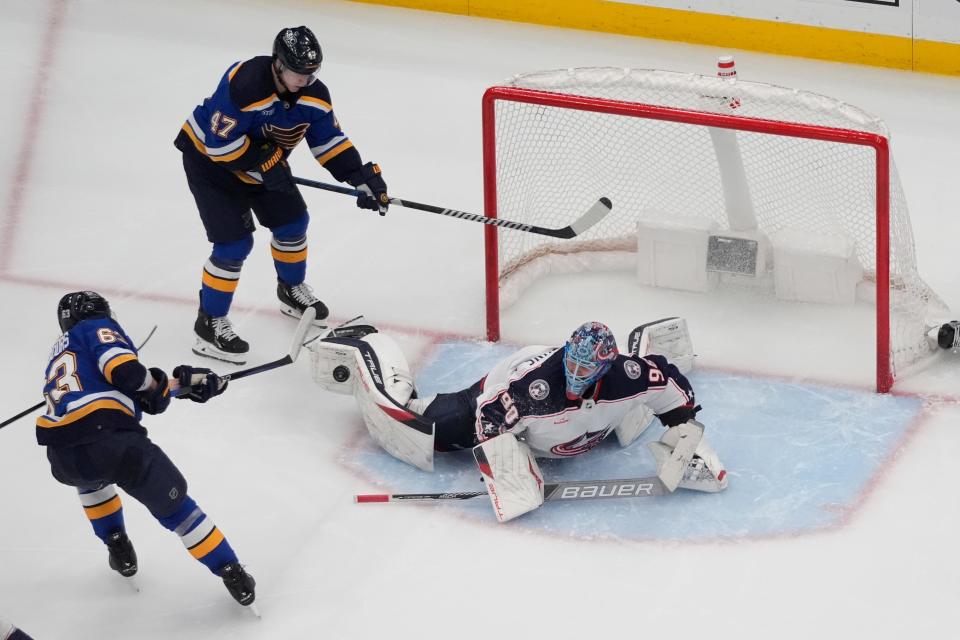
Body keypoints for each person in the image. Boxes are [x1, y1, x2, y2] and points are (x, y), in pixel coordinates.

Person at [311, 319, 727, 521]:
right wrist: (511, 468)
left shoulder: (627, 374)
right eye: (573, 365)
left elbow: (668, 382)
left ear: (606, 365)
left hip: (568, 419)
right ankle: (369, 348)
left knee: (636, 405)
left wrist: (684, 430)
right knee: (425, 430)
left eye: (587, 370)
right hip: (495, 389)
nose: (576, 375)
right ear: (566, 354)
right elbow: (489, 421)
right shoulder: (532, 390)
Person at [174, 25, 389, 364]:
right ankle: (209, 322)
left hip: (263, 163)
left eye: (312, 72)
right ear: (278, 64)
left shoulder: (315, 96)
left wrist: (359, 177)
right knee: (234, 244)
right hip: (210, 166)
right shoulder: (245, 85)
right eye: (299, 72)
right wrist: (264, 161)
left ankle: (291, 291)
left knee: (293, 223)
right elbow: (219, 146)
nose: (306, 79)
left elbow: (328, 142)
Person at [37, 291, 255, 607]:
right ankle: (231, 571)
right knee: (179, 511)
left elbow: (131, 394)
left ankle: (117, 545)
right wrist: (163, 385)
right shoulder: (95, 328)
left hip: (62, 456)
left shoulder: (59, 354)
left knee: (92, 479)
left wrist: (181, 385)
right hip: (112, 442)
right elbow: (127, 374)